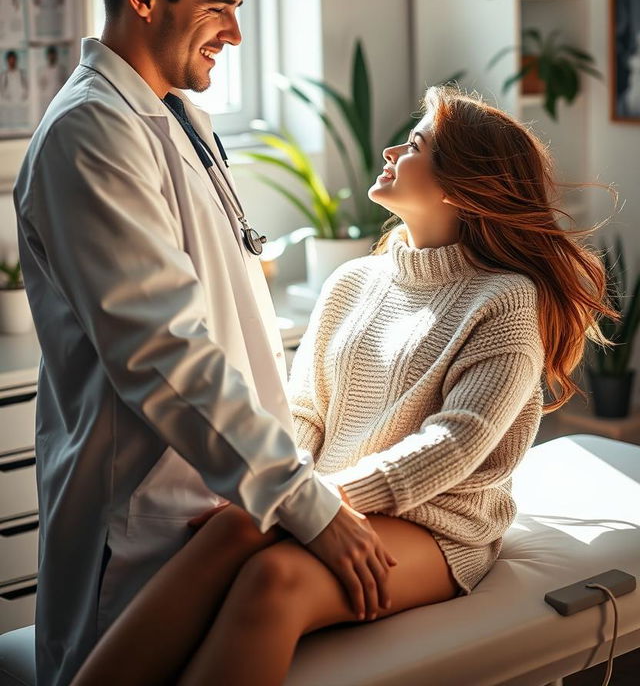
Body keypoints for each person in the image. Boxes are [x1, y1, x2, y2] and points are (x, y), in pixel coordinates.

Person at [69, 86, 615, 686]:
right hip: (334, 500)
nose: (388, 149)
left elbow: (454, 445)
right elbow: (303, 411)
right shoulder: (353, 281)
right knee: (235, 527)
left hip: (442, 527)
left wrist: (316, 501)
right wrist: (299, 495)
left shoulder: (505, 299)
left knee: (274, 578)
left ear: (459, 186)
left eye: (414, 144)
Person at [13, 0, 393, 686]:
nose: (236, 33)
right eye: (219, 8)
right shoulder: (90, 135)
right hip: (142, 516)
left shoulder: (180, 115)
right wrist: (305, 503)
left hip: (219, 500)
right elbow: (165, 351)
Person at [36, 44, 67, 117]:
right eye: (50, 55)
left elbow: (64, 82)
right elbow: (41, 83)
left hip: (59, 99)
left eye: (53, 55)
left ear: (56, 56)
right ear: (47, 56)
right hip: (47, 99)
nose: (52, 57)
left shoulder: (61, 69)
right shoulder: (43, 70)